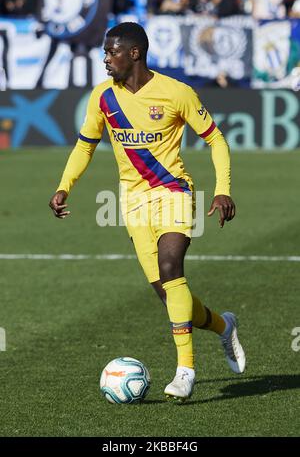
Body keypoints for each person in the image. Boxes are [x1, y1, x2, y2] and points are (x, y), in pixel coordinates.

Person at [49, 22, 245, 402]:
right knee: (168, 293)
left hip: (173, 191)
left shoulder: (176, 92)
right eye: (104, 53)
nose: (105, 60)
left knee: (172, 268)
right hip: (132, 202)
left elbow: (215, 139)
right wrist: (63, 186)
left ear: (134, 53)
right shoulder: (103, 97)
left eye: (111, 52)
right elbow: (85, 146)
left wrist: (223, 191)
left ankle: (185, 370)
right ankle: (224, 326)